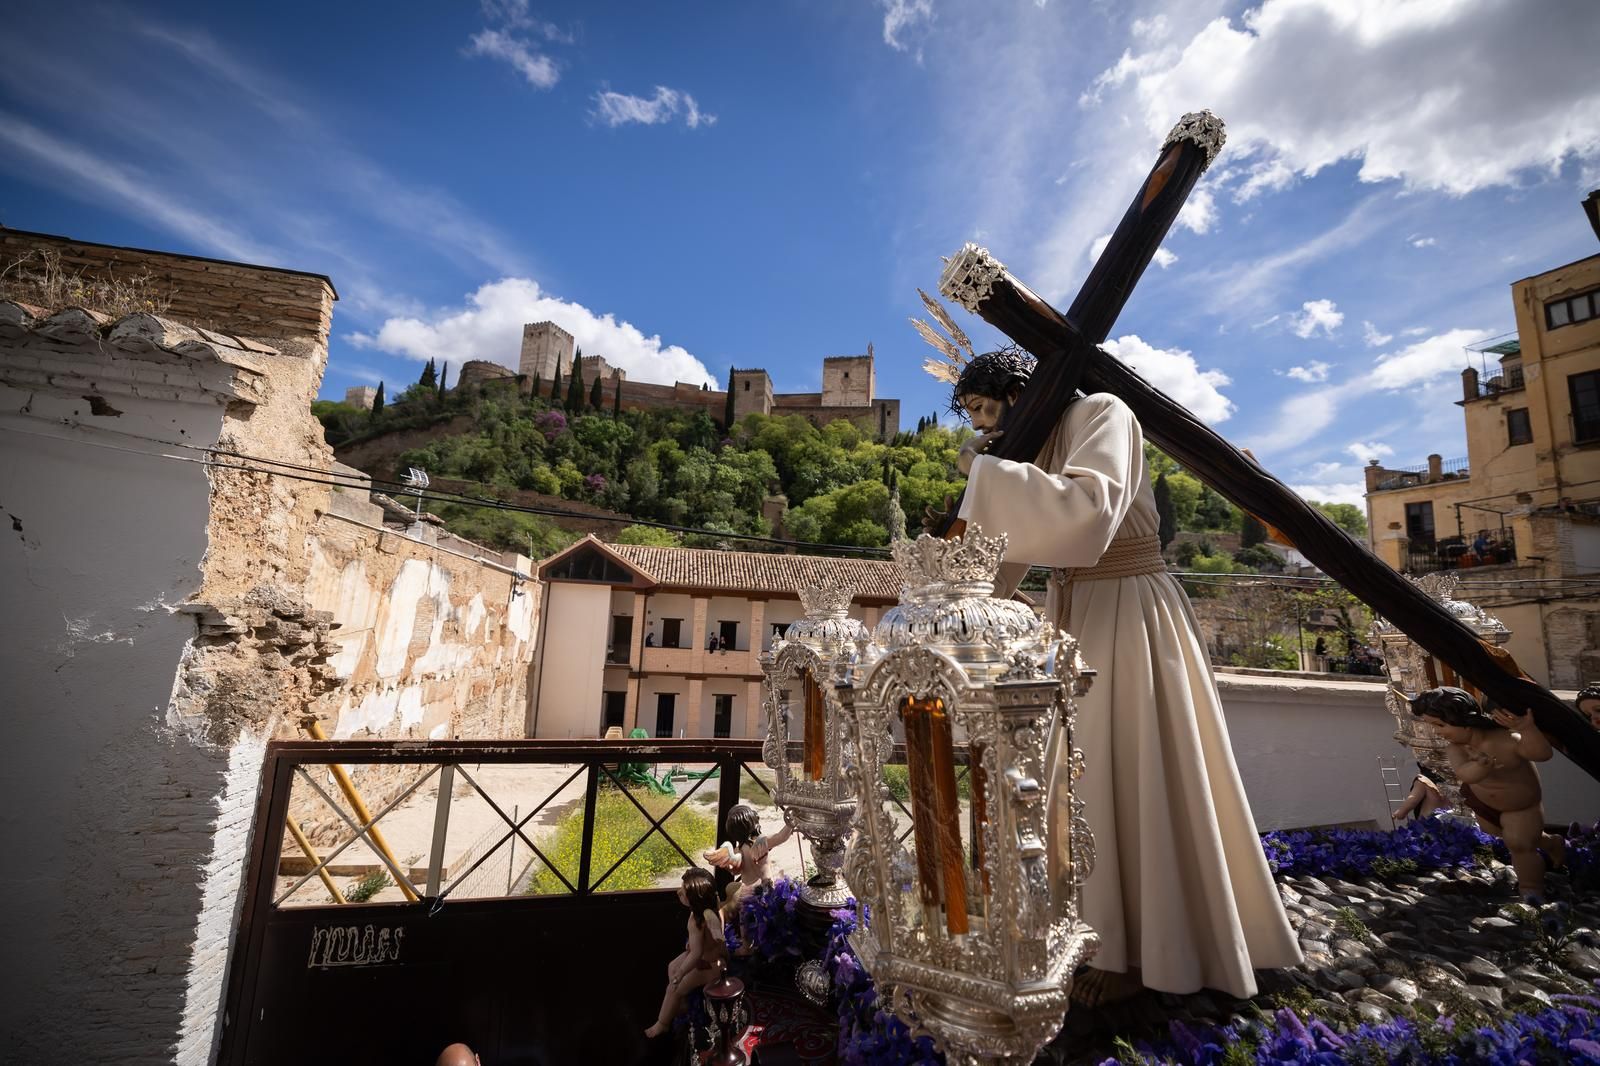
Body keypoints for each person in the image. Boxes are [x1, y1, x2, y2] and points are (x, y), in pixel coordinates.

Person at [931, 346, 1301, 1002]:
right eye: (976, 417)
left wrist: (986, 474)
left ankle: (1137, 955)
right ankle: (1093, 934)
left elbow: (1088, 518)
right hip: (1075, 615)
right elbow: (1008, 549)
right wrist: (953, 589)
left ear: (1022, 391)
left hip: (1131, 610)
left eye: (989, 409)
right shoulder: (1029, 451)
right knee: (1077, 781)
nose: (985, 427)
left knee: (1124, 772)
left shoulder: (1103, 412)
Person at [1409, 686, 1566, 900]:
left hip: (1519, 806)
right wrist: (1480, 767)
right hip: (1484, 806)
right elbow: (1465, 773)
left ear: (1462, 718)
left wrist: (1528, 730)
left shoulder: (1506, 739)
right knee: (1519, 837)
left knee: (1519, 844)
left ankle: (1531, 890)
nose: (1437, 731)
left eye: (1440, 725)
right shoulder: (1456, 748)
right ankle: (1550, 843)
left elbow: (1542, 754)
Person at [644, 867, 727, 1039]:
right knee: (671, 966)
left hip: (708, 965)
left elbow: (696, 954)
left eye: (684, 892)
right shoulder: (714, 908)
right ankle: (681, 1004)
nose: (678, 892)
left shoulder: (697, 921)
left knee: (673, 988)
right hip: (709, 957)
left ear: (696, 899)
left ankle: (662, 1023)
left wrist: (681, 974)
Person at [703, 803, 795, 954]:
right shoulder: (760, 842)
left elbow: (733, 870)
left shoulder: (737, 851)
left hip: (746, 890)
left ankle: (746, 947)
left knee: (745, 921)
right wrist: (790, 824)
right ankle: (768, 947)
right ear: (752, 823)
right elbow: (781, 837)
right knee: (769, 920)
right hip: (765, 887)